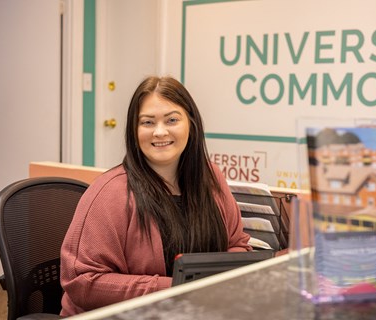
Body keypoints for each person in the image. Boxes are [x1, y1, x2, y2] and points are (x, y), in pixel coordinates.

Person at [60, 76, 251, 316]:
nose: (160, 132)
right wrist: (178, 288)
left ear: (191, 123)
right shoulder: (109, 193)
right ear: (134, 130)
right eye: (148, 122)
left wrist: (222, 281)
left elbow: (237, 244)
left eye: (172, 120)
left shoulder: (209, 178)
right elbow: (82, 282)